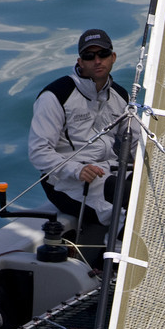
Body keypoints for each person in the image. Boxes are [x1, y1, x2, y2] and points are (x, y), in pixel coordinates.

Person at [27, 28, 130, 236]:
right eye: (89, 56)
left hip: (109, 171)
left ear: (113, 57)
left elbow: (135, 142)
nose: (97, 61)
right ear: (80, 61)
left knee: (153, 191)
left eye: (102, 54)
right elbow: (38, 152)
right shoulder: (56, 95)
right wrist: (76, 170)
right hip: (64, 182)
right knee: (128, 200)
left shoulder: (120, 95)